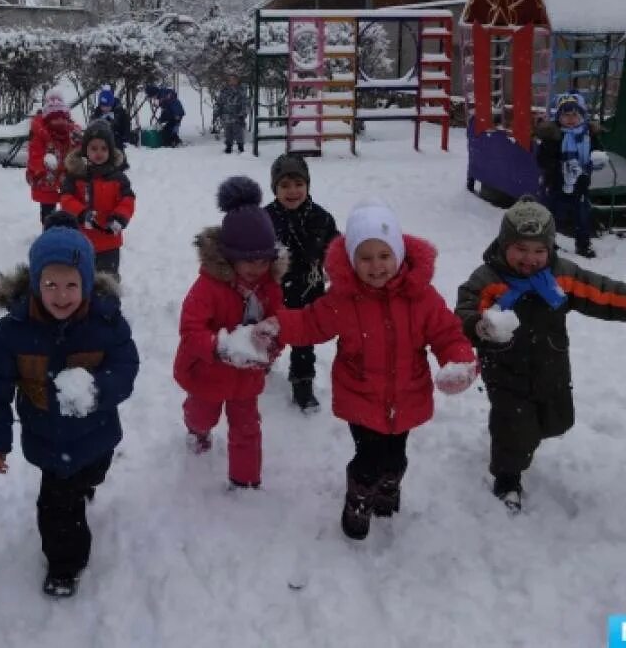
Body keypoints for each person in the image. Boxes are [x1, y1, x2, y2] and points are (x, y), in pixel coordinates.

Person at [455, 196, 626, 513]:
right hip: (504, 370)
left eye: (539, 250)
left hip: (550, 367)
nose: (530, 258)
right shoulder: (488, 279)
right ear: (504, 244)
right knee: (514, 430)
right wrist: (481, 327)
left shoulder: (561, 276)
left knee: (558, 421)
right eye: (521, 249)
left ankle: (523, 442)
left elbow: (603, 292)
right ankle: (507, 478)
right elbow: (464, 311)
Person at [277, 200, 476, 540]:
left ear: (398, 254)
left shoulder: (421, 297)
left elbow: (447, 333)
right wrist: (274, 327)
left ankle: (388, 490)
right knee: (368, 459)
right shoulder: (343, 300)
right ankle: (358, 499)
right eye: (365, 257)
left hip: (407, 393)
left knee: (396, 458)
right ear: (352, 260)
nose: (376, 266)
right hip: (361, 394)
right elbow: (309, 324)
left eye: (384, 256)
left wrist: (458, 361)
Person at [0, 213, 139, 598]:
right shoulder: (13, 331)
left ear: (86, 283)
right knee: (58, 506)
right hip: (47, 438)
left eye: (71, 284)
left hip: (98, 433)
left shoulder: (106, 322)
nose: (61, 295)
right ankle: (65, 565)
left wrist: (98, 390)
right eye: (50, 284)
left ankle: (89, 481)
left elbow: (126, 365)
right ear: (35, 283)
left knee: (91, 474)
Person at [174, 177, 288, 490]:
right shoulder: (208, 287)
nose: (256, 268)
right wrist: (219, 348)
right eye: (248, 260)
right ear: (229, 256)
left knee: (247, 428)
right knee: (203, 415)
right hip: (208, 372)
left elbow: (281, 322)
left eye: (263, 260)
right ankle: (196, 430)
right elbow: (191, 328)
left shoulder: (270, 288)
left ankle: (245, 480)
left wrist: (271, 342)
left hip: (246, 377)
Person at [265, 154, 338, 412]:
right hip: (273, 292)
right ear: (275, 188)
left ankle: (302, 383)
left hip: (308, 290)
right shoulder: (265, 219)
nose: (292, 191)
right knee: (268, 334)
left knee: (303, 341)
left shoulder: (321, 218)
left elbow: (336, 249)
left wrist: (336, 270)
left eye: (298, 184)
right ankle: (262, 362)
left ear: (307, 185)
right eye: (284, 185)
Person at [535, 91, 608, 258]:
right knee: (550, 215)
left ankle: (583, 245)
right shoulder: (553, 135)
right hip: (555, 184)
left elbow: (597, 153)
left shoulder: (588, 136)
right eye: (565, 115)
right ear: (558, 117)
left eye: (574, 114)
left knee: (582, 216)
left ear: (581, 116)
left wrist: (597, 159)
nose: (569, 118)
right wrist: (558, 166)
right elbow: (542, 159)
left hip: (580, 184)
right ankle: (547, 243)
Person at [60, 121, 135, 280]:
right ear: (85, 150)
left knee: (107, 282)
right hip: (81, 241)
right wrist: (81, 213)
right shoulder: (76, 176)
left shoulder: (118, 178)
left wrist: (119, 217)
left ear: (111, 150)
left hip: (109, 242)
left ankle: (109, 303)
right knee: (81, 279)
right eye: (93, 148)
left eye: (103, 148)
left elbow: (127, 200)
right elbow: (66, 198)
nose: (98, 153)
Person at [26, 87, 81, 225]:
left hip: (66, 178)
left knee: (69, 207)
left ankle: (68, 230)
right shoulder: (40, 136)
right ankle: (48, 230)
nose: (59, 122)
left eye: (62, 118)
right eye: (55, 119)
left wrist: (78, 142)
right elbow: (35, 156)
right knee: (48, 211)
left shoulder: (71, 134)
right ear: (48, 120)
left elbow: (79, 153)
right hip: (46, 180)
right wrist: (40, 170)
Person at [89, 85, 132, 152]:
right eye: (102, 106)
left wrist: (124, 137)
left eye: (107, 106)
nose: (104, 108)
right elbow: (91, 127)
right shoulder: (97, 113)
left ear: (112, 104)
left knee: (119, 160)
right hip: (101, 146)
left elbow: (126, 126)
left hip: (116, 144)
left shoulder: (120, 113)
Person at [214, 74, 249, 154]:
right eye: (230, 80)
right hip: (226, 116)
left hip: (237, 116)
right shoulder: (224, 91)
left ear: (237, 80)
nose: (232, 81)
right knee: (228, 133)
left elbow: (245, 103)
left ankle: (241, 147)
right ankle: (228, 147)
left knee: (239, 133)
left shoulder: (241, 91)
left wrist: (243, 113)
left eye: (234, 79)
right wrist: (217, 112)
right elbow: (219, 103)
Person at [145, 83, 184, 147]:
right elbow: (166, 110)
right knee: (168, 129)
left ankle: (172, 142)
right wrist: (161, 120)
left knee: (169, 130)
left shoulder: (165, 95)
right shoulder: (161, 96)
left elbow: (174, 104)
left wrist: (177, 115)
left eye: (152, 96)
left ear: (154, 93)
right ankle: (175, 141)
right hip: (171, 114)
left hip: (176, 114)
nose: (153, 98)